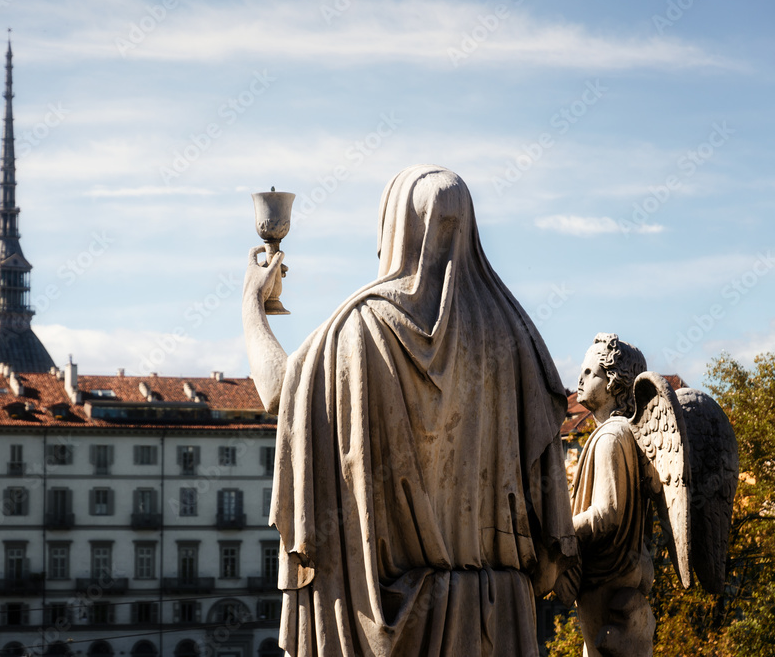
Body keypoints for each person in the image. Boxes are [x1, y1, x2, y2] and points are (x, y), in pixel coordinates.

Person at [243, 165, 576, 656]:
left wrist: (252, 302)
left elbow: (280, 393)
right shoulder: (516, 337)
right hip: (497, 624)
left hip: (384, 616)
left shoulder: (358, 330)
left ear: (394, 228)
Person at [560, 334, 654, 657]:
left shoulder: (611, 438)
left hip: (605, 573)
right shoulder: (627, 434)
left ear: (613, 382)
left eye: (590, 373)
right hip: (620, 570)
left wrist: (561, 531)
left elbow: (606, 512)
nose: (580, 379)